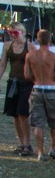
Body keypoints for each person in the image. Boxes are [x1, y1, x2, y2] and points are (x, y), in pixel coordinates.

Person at [24, 29, 55, 161]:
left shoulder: (30, 56)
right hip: (51, 89)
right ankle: (53, 148)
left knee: (38, 123)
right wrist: (52, 77)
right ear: (50, 41)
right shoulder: (54, 57)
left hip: (36, 89)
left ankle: (40, 152)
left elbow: (27, 75)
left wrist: (36, 78)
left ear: (37, 39)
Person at [0, 22, 37, 156]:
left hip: (26, 83)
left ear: (22, 31)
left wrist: (36, 83)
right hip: (13, 82)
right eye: (10, 33)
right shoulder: (7, 46)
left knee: (23, 113)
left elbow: (36, 65)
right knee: (15, 114)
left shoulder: (31, 47)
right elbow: (3, 64)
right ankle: (21, 143)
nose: (13, 35)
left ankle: (27, 144)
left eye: (15, 32)